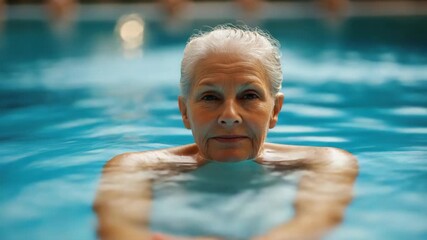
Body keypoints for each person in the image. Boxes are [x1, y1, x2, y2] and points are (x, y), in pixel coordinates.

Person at [94, 25, 358, 240]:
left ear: (275, 110)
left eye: (249, 95)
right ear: (185, 111)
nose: (229, 116)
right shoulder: (134, 168)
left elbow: (313, 224)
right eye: (210, 97)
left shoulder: (325, 164)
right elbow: (119, 230)